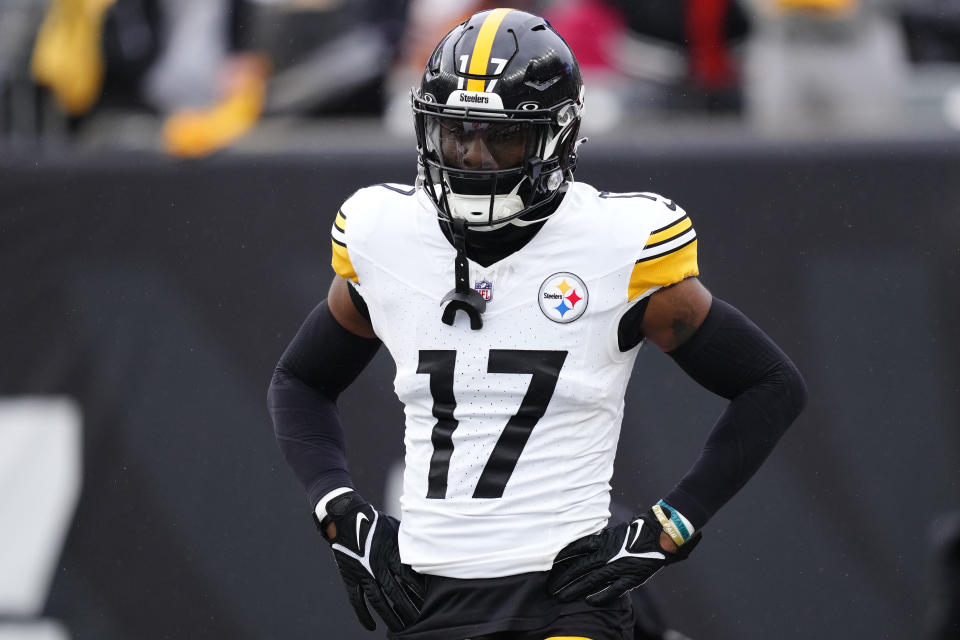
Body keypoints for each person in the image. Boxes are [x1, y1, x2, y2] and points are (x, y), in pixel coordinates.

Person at [267, 8, 807, 640]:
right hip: (425, 597)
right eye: (455, 133)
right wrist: (336, 507)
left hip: (563, 593)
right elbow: (299, 382)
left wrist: (672, 525)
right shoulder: (386, 234)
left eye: (501, 137)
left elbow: (771, 385)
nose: (472, 156)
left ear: (559, 136)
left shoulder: (617, 246)